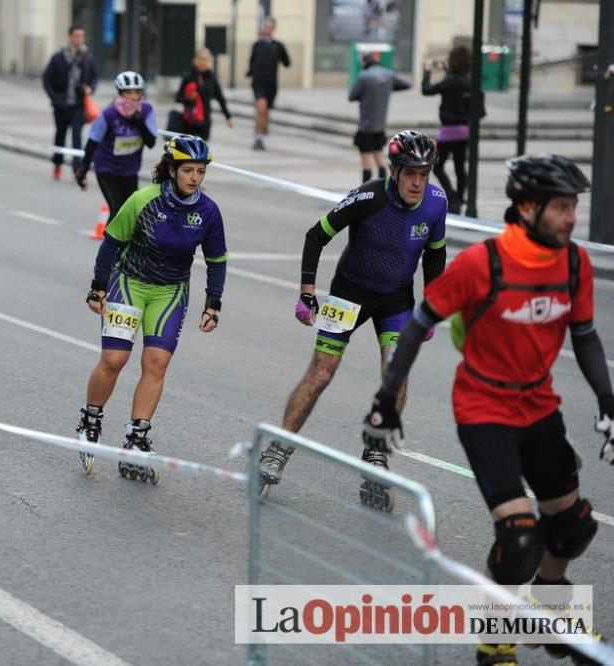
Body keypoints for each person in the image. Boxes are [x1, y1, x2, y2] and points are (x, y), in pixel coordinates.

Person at [361, 154, 611, 665]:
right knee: (519, 538)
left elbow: (584, 337)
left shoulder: (574, 262)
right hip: (484, 406)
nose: (571, 218)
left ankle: (548, 612)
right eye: (562, 207)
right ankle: (494, 638)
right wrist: (387, 398)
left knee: (574, 527)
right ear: (526, 207)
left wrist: (609, 402)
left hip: (539, 403)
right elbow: (416, 324)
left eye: (574, 207)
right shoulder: (484, 263)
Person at [258, 130, 446, 504]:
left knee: (396, 374)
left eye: (424, 173)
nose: (417, 182)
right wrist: (307, 293)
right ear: (394, 170)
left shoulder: (436, 204)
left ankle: (376, 452)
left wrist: (431, 309)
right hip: (350, 292)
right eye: (410, 173)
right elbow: (316, 236)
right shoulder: (369, 198)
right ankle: (278, 449)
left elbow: (435, 256)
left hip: (395, 298)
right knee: (322, 372)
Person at [76, 135, 227, 482]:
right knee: (114, 360)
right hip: (129, 283)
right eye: (187, 170)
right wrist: (98, 287)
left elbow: (217, 260)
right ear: (171, 170)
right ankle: (90, 421)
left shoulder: (208, 212)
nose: (194, 177)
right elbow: (112, 242)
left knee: (156, 363)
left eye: (200, 171)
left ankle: (136, 438)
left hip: (170, 292)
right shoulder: (144, 200)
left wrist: (213, 304)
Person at [74, 71, 157, 224]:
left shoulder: (147, 111)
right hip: (107, 166)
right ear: (120, 93)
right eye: (128, 92)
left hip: (130, 168)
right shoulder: (109, 114)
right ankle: (110, 247)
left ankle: (126, 246)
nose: (133, 96)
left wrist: (139, 122)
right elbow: (92, 143)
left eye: (137, 92)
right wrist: (83, 171)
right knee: (117, 209)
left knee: (131, 210)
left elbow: (151, 143)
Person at [422, 45, 479, 214]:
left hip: (448, 132)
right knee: (460, 167)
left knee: (437, 166)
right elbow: (456, 81)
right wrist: (448, 70)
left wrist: (427, 71)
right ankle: (459, 199)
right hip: (465, 131)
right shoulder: (469, 81)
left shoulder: (449, 81)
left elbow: (427, 90)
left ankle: (452, 197)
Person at [42, 25, 96, 180]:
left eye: (82, 36)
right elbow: (47, 81)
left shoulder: (87, 57)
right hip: (61, 105)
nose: (79, 39)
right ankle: (57, 164)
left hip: (78, 105)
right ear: (70, 37)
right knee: (60, 135)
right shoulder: (58, 57)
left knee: (77, 135)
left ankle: (77, 168)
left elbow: (94, 77)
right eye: (76, 36)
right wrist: (55, 98)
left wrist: (89, 89)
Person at [349, 51, 411, 183]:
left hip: (365, 126)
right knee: (379, 157)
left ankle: (365, 189)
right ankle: (384, 186)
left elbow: (351, 96)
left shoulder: (364, 76)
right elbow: (406, 84)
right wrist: (388, 88)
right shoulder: (388, 74)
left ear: (365, 62)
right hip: (380, 125)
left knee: (366, 160)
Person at [247, 17, 290, 151]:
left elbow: (287, 62)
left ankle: (262, 130)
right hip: (258, 82)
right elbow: (252, 62)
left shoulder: (278, 46)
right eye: (266, 26)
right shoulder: (257, 44)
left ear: (274, 29)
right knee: (261, 108)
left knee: (265, 112)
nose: (268, 29)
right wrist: (251, 72)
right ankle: (258, 139)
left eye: (271, 26)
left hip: (271, 84)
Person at [175, 47, 233, 141]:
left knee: (202, 153)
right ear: (195, 60)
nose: (203, 62)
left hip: (205, 121)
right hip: (189, 122)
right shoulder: (188, 76)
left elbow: (220, 97)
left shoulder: (211, 77)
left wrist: (228, 117)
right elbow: (178, 98)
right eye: (200, 59)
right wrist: (188, 98)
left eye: (205, 59)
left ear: (209, 61)